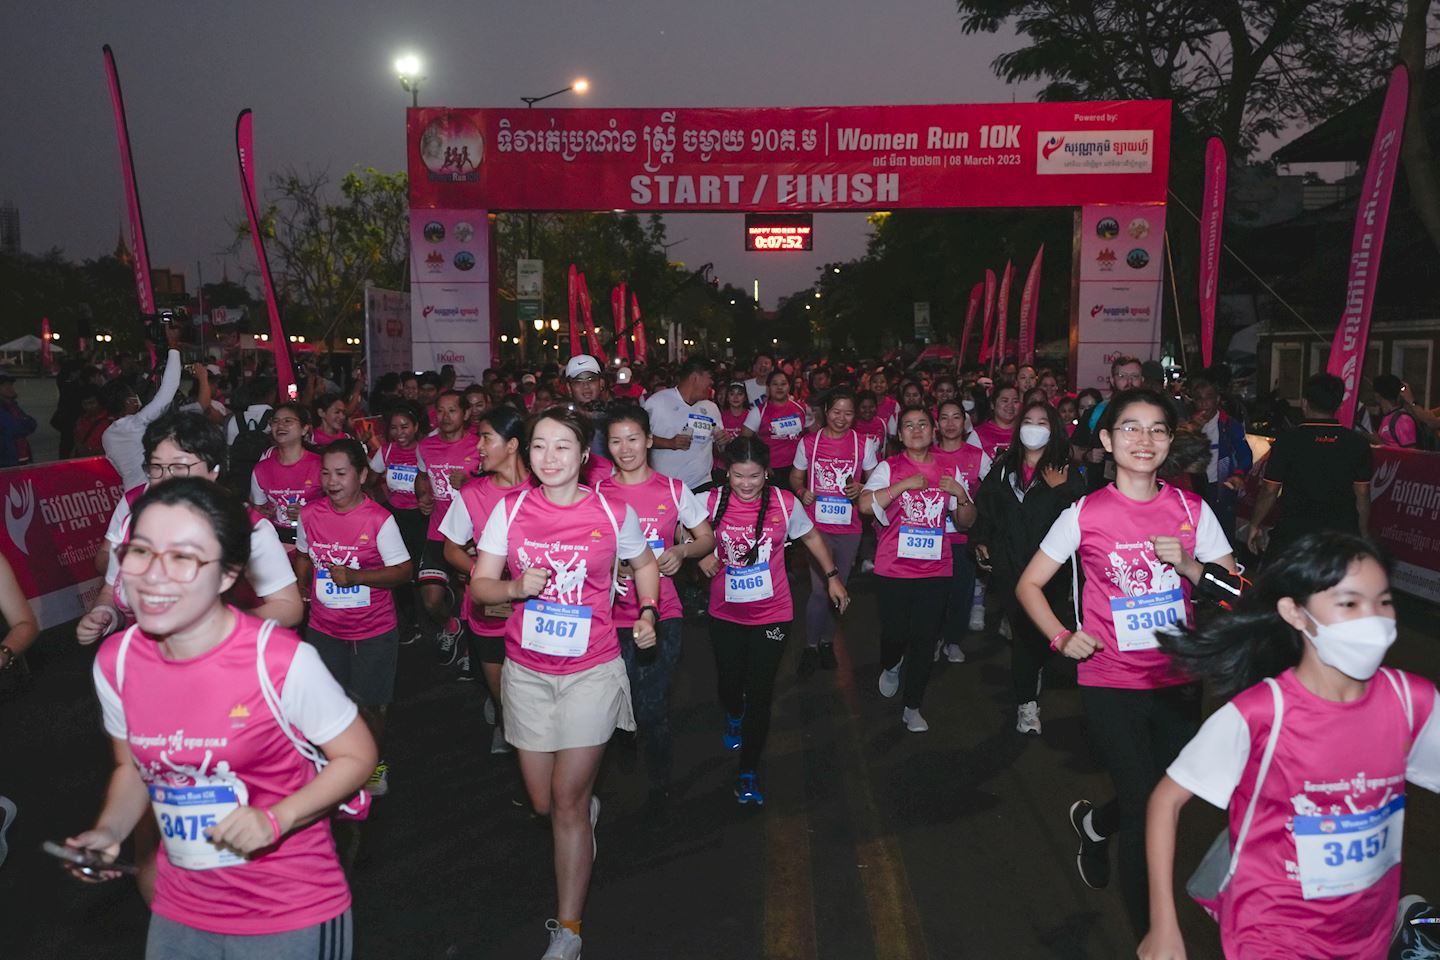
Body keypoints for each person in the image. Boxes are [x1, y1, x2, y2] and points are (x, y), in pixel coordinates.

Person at [71, 479, 376, 959]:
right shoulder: (119, 661)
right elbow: (132, 767)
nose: (154, 576)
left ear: (229, 573)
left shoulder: (277, 660)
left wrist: (277, 819)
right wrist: (110, 830)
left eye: (184, 558)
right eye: (141, 553)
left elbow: (359, 757)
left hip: (289, 908)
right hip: (180, 909)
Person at [1139, 532, 1440, 960]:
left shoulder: (1414, 702)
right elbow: (1165, 801)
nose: (1373, 619)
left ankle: (1405, 921)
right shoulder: (1262, 714)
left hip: (1366, 931)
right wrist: (1164, 922)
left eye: (1384, 601)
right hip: (1272, 931)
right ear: (1294, 613)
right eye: (1350, 603)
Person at [1015, 387, 1236, 937]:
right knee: (1145, 810)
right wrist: (1062, 638)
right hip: (1110, 679)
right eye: (1131, 429)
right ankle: (1152, 935)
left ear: (1170, 441)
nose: (1145, 440)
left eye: (1157, 429)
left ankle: (1094, 823)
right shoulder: (1084, 513)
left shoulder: (1192, 509)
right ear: (1109, 441)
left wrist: (1188, 566)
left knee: (1165, 793)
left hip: (1177, 676)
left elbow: (1235, 590)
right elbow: (1029, 585)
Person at [468, 407, 660, 960]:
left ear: (582, 456)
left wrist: (646, 611)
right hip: (527, 673)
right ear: (526, 456)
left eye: (561, 447)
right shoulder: (511, 509)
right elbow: (481, 587)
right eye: (538, 447)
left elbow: (643, 564)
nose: (548, 458)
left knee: (567, 799)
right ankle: (580, 814)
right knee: (541, 801)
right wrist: (512, 588)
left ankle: (569, 929)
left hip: (593, 670)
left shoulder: (609, 507)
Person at [701, 436, 849, 803]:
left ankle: (748, 771)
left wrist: (832, 578)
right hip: (725, 612)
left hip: (773, 613)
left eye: (754, 476)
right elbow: (682, 530)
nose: (746, 484)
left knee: (761, 692)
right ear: (727, 474)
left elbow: (812, 536)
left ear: (767, 473)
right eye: (738, 476)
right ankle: (733, 712)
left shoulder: (784, 503)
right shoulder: (710, 500)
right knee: (730, 684)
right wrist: (698, 555)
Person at [79, 412, 305, 652]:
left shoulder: (248, 527)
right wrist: (104, 614)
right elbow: (110, 588)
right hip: (150, 663)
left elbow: (289, 608)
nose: (166, 478)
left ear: (214, 470)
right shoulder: (133, 521)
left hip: (225, 663)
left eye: (179, 466)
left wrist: (220, 629)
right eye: (156, 467)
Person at [596, 406, 715, 810]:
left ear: (648, 440)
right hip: (607, 618)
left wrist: (683, 551)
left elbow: (706, 537)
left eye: (632, 439)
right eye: (615, 440)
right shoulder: (597, 494)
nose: (625, 449)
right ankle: (622, 744)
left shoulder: (673, 490)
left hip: (663, 613)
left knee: (652, 704)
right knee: (614, 701)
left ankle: (660, 784)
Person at [295, 440, 413, 798]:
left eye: (341, 473)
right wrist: (302, 589)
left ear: (362, 475)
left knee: (371, 703)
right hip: (323, 628)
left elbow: (404, 571)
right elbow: (303, 555)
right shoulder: (310, 515)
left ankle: (373, 764)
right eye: (327, 473)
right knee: (328, 701)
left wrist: (358, 577)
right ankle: (337, 764)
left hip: (373, 629)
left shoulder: (379, 519)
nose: (332, 481)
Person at [860, 405, 973, 732]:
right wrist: (903, 485)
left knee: (925, 638)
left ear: (933, 429)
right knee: (895, 633)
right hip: (893, 568)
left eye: (922, 423)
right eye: (908, 425)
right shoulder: (889, 466)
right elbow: (865, 505)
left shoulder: (949, 468)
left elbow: (966, 523)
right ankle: (892, 663)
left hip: (935, 569)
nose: (916, 430)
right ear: (900, 433)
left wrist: (962, 496)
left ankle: (912, 706)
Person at [971, 401, 1082, 734]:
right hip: (1010, 567)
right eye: (1028, 421)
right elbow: (986, 509)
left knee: (1038, 634)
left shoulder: (1064, 469)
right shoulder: (1005, 467)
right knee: (1024, 634)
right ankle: (1026, 703)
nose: (1034, 428)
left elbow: (1081, 514)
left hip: (1052, 571)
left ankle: (1035, 671)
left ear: (1054, 429)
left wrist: (1059, 489)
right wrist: (981, 540)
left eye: (1042, 422)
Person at [440, 405, 532, 753]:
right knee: (503, 691)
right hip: (490, 611)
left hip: (536, 609)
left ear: (512, 445)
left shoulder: (542, 489)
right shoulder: (472, 494)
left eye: (486, 438)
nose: (478, 446)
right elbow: (451, 549)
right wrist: (487, 579)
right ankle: (507, 724)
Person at [790, 387, 877, 676]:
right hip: (817, 529)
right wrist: (802, 491)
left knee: (839, 589)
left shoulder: (862, 444)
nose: (842, 418)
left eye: (848, 413)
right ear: (825, 411)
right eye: (836, 412)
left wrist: (862, 488)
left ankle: (827, 643)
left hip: (849, 528)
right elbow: (795, 476)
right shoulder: (810, 443)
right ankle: (811, 646)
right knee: (819, 590)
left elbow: (876, 483)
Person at [1247, 373, 1373, 559]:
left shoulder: (1287, 441)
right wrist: (1362, 533)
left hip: (1295, 533)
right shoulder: (1357, 443)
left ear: (1305, 403)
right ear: (1339, 405)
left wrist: (1254, 524)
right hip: (1341, 534)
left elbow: (1270, 490)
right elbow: (1362, 494)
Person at [415, 390, 481, 665]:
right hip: (437, 532)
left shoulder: (480, 445)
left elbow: (497, 486)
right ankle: (451, 627)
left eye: (452, 410)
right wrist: (422, 496)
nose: (445, 417)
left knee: (475, 600)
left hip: (472, 537)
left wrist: (469, 484)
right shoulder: (426, 447)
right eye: (440, 411)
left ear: (465, 414)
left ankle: (470, 650)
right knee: (430, 601)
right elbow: (421, 476)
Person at [930, 398, 990, 664]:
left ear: (965, 423)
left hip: (963, 537)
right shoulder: (926, 454)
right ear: (936, 423)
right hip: (928, 538)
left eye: (957, 417)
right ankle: (932, 638)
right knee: (931, 593)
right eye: (944, 417)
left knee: (960, 592)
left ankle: (953, 640)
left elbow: (993, 497)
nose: (950, 423)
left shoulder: (977, 456)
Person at [368, 403, 428, 644]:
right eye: (394, 428)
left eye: (405, 426)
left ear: (415, 427)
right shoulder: (387, 452)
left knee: (423, 574)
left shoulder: (425, 451)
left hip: (423, 518)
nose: (399, 432)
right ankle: (411, 622)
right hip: (397, 518)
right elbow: (370, 478)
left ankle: (438, 619)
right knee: (399, 571)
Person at [102, 350, 183, 486]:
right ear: (128, 401)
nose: (137, 397)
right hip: (150, 490)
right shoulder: (138, 423)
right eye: (133, 394)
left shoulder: (106, 436)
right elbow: (168, 390)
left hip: (130, 493)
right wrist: (174, 349)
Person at [1186, 377, 1251, 543]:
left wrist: (1238, 474)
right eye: (1199, 399)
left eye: (1209, 398)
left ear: (1217, 400)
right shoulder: (1189, 426)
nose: (1204, 404)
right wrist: (1193, 431)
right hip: (1195, 487)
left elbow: (1245, 454)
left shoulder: (1229, 425)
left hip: (1222, 486)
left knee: (1223, 533)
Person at [250, 402, 323, 545]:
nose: (280, 425)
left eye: (288, 421)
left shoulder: (321, 465)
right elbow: (258, 507)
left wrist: (309, 513)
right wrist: (263, 512)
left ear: (304, 429)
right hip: (276, 539)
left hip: (314, 537)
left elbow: (339, 505)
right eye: (275, 421)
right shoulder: (261, 469)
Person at [644, 356, 721, 491]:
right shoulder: (657, 402)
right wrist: (670, 443)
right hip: (666, 486)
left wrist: (723, 441)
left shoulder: (711, 408)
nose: (712, 383)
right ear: (695, 378)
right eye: (709, 377)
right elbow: (640, 437)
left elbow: (719, 446)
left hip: (702, 485)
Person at [1071, 357, 1145, 493]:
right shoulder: (1095, 413)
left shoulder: (1154, 415)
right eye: (1122, 376)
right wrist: (1087, 455)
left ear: (1142, 380)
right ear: (1112, 381)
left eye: (1135, 376)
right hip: (1100, 492)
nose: (1129, 382)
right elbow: (1072, 450)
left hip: (1142, 491)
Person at [742, 370, 808, 485]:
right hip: (771, 470)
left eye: (783, 384)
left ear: (789, 386)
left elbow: (812, 435)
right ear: (768, 387)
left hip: (798, 469)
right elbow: (744, 441)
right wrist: (761, 464)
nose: (779, 388)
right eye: (775, 384)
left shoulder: (802, 408)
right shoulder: (758, 412)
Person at [972, 382, 1019, 461]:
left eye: (1015, 401)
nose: (1010, 405)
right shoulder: (978, 434)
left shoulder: (1024, 431)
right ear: (992, 405)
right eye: (1005, 401)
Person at [715, 381, 751, 476]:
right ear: (727, 397)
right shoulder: (719, 417)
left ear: (745, 397)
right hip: (723, 467)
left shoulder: (751, 416)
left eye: (740, 394)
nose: (735, 397)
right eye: (732, 394)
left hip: (746, 465)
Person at [72, 386, 113, 456]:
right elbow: (77, 437)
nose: (88, 407)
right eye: (85, 404)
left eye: (92, 403)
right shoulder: (81, 420)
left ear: (100, 402)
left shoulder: (111, 420)